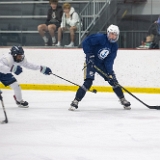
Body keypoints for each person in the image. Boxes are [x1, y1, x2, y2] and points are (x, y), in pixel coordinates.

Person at [69, 24, 131, 111]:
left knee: (113, 81)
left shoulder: (114, 46)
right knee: (88, 82)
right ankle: (75, 101)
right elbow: (86, 42)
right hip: (91, 62)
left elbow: (109, 60)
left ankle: (122, 99)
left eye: (115, 35)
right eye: (111, 34)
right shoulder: (100, 38)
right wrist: (89, 55)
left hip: (101, 65)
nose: (113, 36)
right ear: (108, 33)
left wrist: (109, 72)